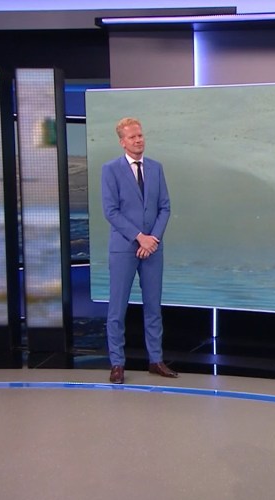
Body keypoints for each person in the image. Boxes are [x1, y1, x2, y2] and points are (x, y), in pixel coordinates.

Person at [101, 117, 178, 384]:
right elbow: (111, 211)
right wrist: (139, 238)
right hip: (124, 248)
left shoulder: (156, 168)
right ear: (122, 142)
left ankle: (155, 360)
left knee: (153, 307)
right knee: (117, 308)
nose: (138, 140)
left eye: (140, 135)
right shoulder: (110, 170)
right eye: (132, 137)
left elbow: (165, 207)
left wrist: (152, 239)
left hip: (153, 249)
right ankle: (117, 363)